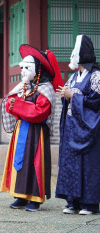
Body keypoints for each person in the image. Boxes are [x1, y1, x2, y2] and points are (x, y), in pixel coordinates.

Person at [0, 44, 62, 211]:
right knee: (20, 161)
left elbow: (39, 112)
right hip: (21, 129)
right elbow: (9, 103)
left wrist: (18, 105)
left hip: (36, 133)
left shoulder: (45, 88)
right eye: (22, 67)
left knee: (34, 163)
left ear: (37, 69)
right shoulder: (23, 86)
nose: (23, 71)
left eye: (27, 68)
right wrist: (13, 105)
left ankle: (35, 198)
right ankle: (19, 196)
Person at [55, 35, 100, 215]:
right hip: (72, 126)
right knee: (70, 163)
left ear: (82, 54)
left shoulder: (96, 75)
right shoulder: (74, 76)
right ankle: (72, 201)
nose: (72, 55)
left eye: (75, 51)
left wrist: (73, 96)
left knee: (88, 164)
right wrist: (65, 95)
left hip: (89, 127)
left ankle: (89, 204)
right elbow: (70, 95)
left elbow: (96, 101)